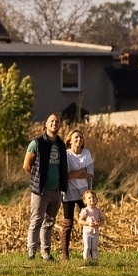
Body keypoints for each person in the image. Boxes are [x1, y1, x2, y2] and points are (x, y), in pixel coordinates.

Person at [22, 113, 68, 260]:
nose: (55, 123)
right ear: (46, 124)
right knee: (36, 221)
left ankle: (45, 252)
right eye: (52, 121)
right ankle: (31, 252)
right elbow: (27, 165)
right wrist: (38, 179)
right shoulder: (36, 143)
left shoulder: (61, 145)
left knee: (49, 222)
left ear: (60, 125)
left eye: (57, 121)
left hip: (56, 191)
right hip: (40, 191)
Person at [61, 129, 94, 261]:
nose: (79, 140)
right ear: (70, 140)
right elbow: (66, 176)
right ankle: (64, 254)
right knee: (68, 224)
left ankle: (89, 252)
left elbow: (90, 174)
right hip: (68, 192)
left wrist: (76, 174)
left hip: (84, 193)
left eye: (81, 137)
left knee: (89, 221)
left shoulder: (86, 153)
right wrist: (81, 170)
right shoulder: (66, 155)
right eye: (76, 137)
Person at [79, 189, 105, 263]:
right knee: (87, 247)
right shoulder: (85, 210)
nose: (92, 199)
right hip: (87, 232)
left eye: (93, 197)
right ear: (85, 201)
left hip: (95, 232)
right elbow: (80, 221)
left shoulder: (98, 211)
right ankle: (86, 261)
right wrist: (88, 223)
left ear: (96, 199)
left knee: (94, 248)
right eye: (89, 198)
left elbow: (102, 220)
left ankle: (95, 261)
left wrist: (99, 223)